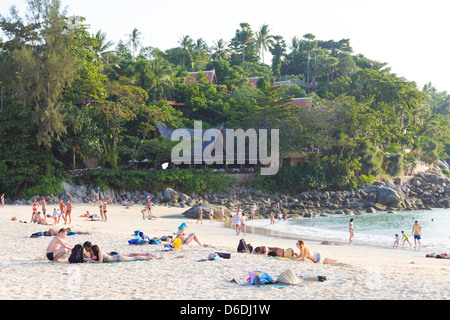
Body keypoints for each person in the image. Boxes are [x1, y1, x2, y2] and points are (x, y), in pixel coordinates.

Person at [86, 244, 153, 263]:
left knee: (133, 257)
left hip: (118, 258)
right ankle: (146, 254)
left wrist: (92, 260)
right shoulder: (100, 251)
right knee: (131, 254)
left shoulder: (100, 253)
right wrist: (94, 259)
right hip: (116, 256)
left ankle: (148, 257)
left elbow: (100, 262)